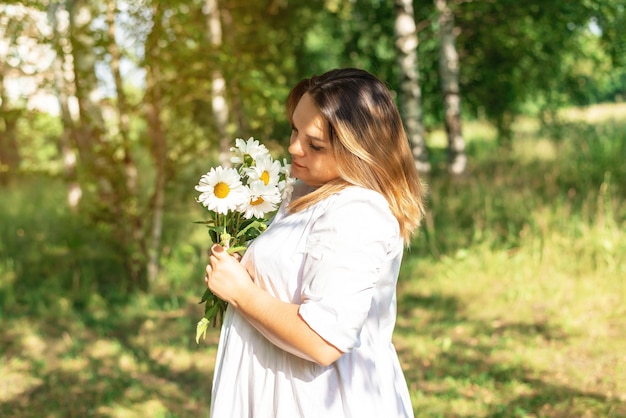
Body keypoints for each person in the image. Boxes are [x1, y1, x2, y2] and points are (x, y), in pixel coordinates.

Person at [204, 68, 426, 418]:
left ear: (360, 151)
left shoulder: (358, 211)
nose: (294, 147)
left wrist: (241, 292)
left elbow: (324, 341)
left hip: (317, 400)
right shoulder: (309, 190)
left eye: (315, 144)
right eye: (294, 129)